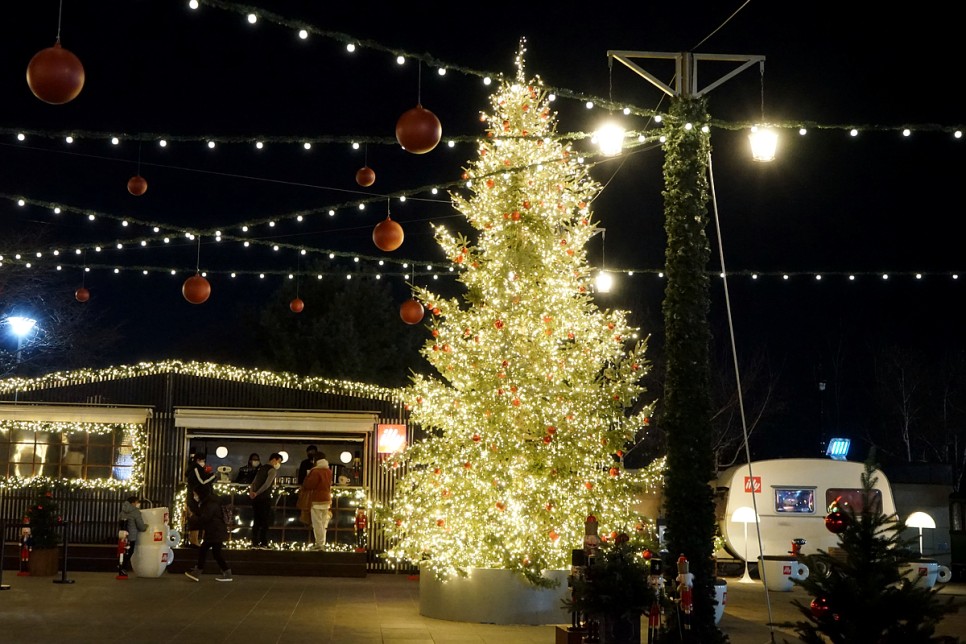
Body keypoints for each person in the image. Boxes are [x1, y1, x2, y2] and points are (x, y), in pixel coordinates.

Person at [184, 487, 232, 582]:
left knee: (206, 551)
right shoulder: (210, 503)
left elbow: (204, 518)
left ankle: (198, 572)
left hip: (215, 532)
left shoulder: (210, 504)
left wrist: (191, 516)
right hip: (215, 532)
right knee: (212, 552)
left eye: (195, 494)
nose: (195, 497)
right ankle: (226, 572)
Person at [248, 452, 282, 548]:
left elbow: (253, 482)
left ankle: (254, 542)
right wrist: (257, 493)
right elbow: (267, 485)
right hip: (264, 498)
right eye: (279, 461)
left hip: (256, 499)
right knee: (264, 521)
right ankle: (263, 543)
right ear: (274, 460)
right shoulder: (272, 470)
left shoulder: (261, 468)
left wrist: (252, 492)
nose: (279, 464)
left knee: (256, 521)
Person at [300, 456, 333, 549]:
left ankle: (320, 544)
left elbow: (309, 485)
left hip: (316, 500)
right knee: (323, 522)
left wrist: (307, 476)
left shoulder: (315, 471)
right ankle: (322, 543)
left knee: (317, 523)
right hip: (326, 499)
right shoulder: (329, 471)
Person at [185, 451, 216, 546]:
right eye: (202, 461)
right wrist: (213, 476)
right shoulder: (195, 469)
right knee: (197, 518)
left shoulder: (194, 469)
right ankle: (194, 541)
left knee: (197, 519)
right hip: (196, 498)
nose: (203, 463)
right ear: (198, 460)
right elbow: (202, 481)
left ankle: (195, 541)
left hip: (196, 498)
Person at [117, 495, 147, 574]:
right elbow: (140, 525)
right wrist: (145, 527)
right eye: (137, 502)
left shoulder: (123, 511)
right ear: (133, 503)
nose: (138, 504)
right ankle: (124, 567)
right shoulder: (136, 511)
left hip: (123, 535)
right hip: (131, 535)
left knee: (122, 551)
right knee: (130, 551)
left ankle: (120, 565)